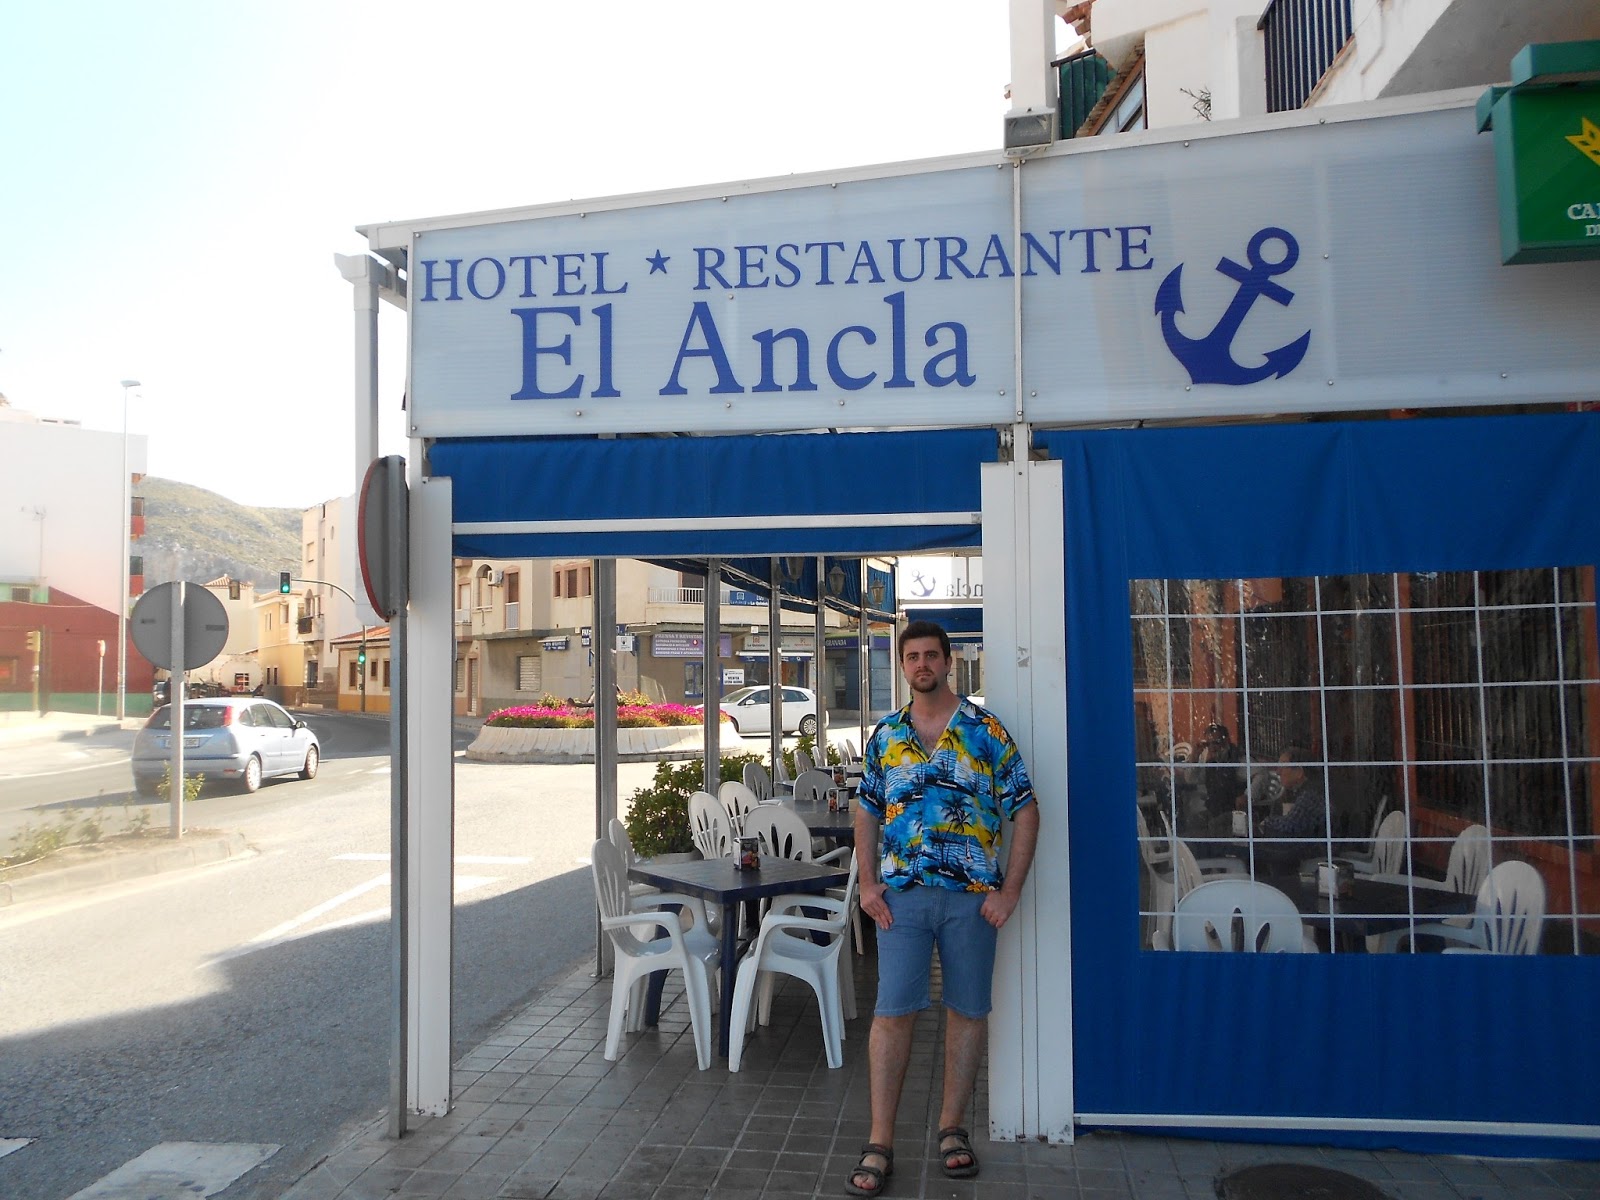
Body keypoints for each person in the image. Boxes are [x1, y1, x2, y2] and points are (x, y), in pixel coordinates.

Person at [847, 620, 1039, 1196]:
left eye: (932, 655)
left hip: (972, 901)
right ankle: (881, 1140)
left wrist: (1010, 892)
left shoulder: (985, 733)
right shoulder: (886, 737)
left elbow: (1026, 811)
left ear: (949, 662)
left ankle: (952, 1128)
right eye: (913, 657)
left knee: (967, 1011)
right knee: (891, 1014)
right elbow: (867, 811)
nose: (922, 664)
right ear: (902, 666)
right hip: (900, 901)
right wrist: (867, 885)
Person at [1256, 746, 1327, 840]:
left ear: (1299, 772)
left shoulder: (1310, 795)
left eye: (1282, 767)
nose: (1278, 772)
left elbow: (1290, 825)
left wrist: (1266, 822)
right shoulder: (1295, 793)